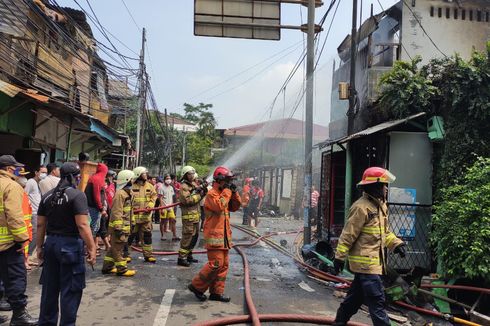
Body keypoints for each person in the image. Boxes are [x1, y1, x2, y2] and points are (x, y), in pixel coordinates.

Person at [333, 167, 407, 326]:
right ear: (374, 186)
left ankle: (339, 322)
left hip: (371, 264)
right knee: (377, 300)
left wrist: (397, 244)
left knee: (354, 299)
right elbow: (348, 234)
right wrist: (339, 257)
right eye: (384, 185)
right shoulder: (361, 207)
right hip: (366, 264)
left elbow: (384, 233)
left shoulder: (380, 206)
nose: (386, 188)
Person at [36, 162, 96, 326]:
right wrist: (92, 247)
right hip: (69, 246)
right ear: (74, 178)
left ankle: (46, 322)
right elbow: (82, 225)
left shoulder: (47, 196)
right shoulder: (77, 196)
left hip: (51, 244)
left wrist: (39, 247)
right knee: (70, 290)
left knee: (50, 289)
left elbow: (40, 224)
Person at [189, 166, 241, 302]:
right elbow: (219, 206)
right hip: (214, 237)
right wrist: (228, 192)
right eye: (227, 181)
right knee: (215, 263)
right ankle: (196, 286)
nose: (228, 184)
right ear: (219, 180)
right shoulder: (212, 194)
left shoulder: (225, 192)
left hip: (223, 238)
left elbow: (235, 207)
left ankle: (216, 293)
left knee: (223, 266)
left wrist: (234, 193)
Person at [0, 155, 38, 325]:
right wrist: (23, 239)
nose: (19, 172)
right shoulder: (11, 186)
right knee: (15, 278)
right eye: (16, 168)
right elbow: (14, 216)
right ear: (9, 169)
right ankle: (19, 315)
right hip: (9, 245)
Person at [102, 170, 136, 277]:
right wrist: (119, 228)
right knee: (118, 249)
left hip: (125, 227)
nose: (133, 181)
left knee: (114, 248)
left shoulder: (127, 193)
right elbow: (116, 212)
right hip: (119, 228)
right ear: (127, 180)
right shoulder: (120, 194)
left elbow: (129, 211)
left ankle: (107, 267)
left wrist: (133, 222)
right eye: (132, 179)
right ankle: (121, 269)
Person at [177, 166, 203, 267]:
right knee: (187, 237)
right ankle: (181, 258)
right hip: (188, 217)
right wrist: (199, 195)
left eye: (193, 173)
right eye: (190, 173)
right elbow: (187, 200)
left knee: (194, 237)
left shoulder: (193, 184)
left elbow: (197, 198)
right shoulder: (184, 186)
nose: (192, 175)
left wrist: (202, 192)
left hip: (196, 216)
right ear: (185, 175)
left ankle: (189, 255)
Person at [131, 166, 157, 263]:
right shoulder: (132, 186)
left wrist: (150, 205)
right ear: (138, 175)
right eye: (144, 173)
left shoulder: (150, 186)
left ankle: (148, 255)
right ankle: (126, 255)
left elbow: (154, 196)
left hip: (146, 218)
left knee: (147, 237)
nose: (146, 175)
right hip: (133, 218)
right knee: (130, 237)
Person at [84, 163, 108, 253]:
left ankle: (90, 248)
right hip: (94, 208)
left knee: (93, 228)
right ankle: (90, 249)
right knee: (93, 228)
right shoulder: (98, 179)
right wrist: (101, 208)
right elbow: (97, 195)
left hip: (91, 207)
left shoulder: (94, 178)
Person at [25, 165, 47, 254]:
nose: (44, 174)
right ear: (36, 173)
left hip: (37, 213)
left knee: (37, 234)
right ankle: (27, 256)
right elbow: (24, 195)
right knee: (34, 234)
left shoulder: (38, 183)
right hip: (33, 213)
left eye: (46, 172)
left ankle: (28, 256)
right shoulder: (31, 182)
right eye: (42, 172)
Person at [158, 174, 178, 241]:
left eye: (169, 178)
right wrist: (162, 208)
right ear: (164, 179)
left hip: (170, 207)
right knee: (163, 221)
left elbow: (171, 197)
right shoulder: (161, 187)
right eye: (167, 178)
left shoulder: (171, 187)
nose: (168, 180)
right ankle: (162, 235)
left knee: (173, 220)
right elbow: (160, 198)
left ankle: (174, 236)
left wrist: (172, 206)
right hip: (163, 206)